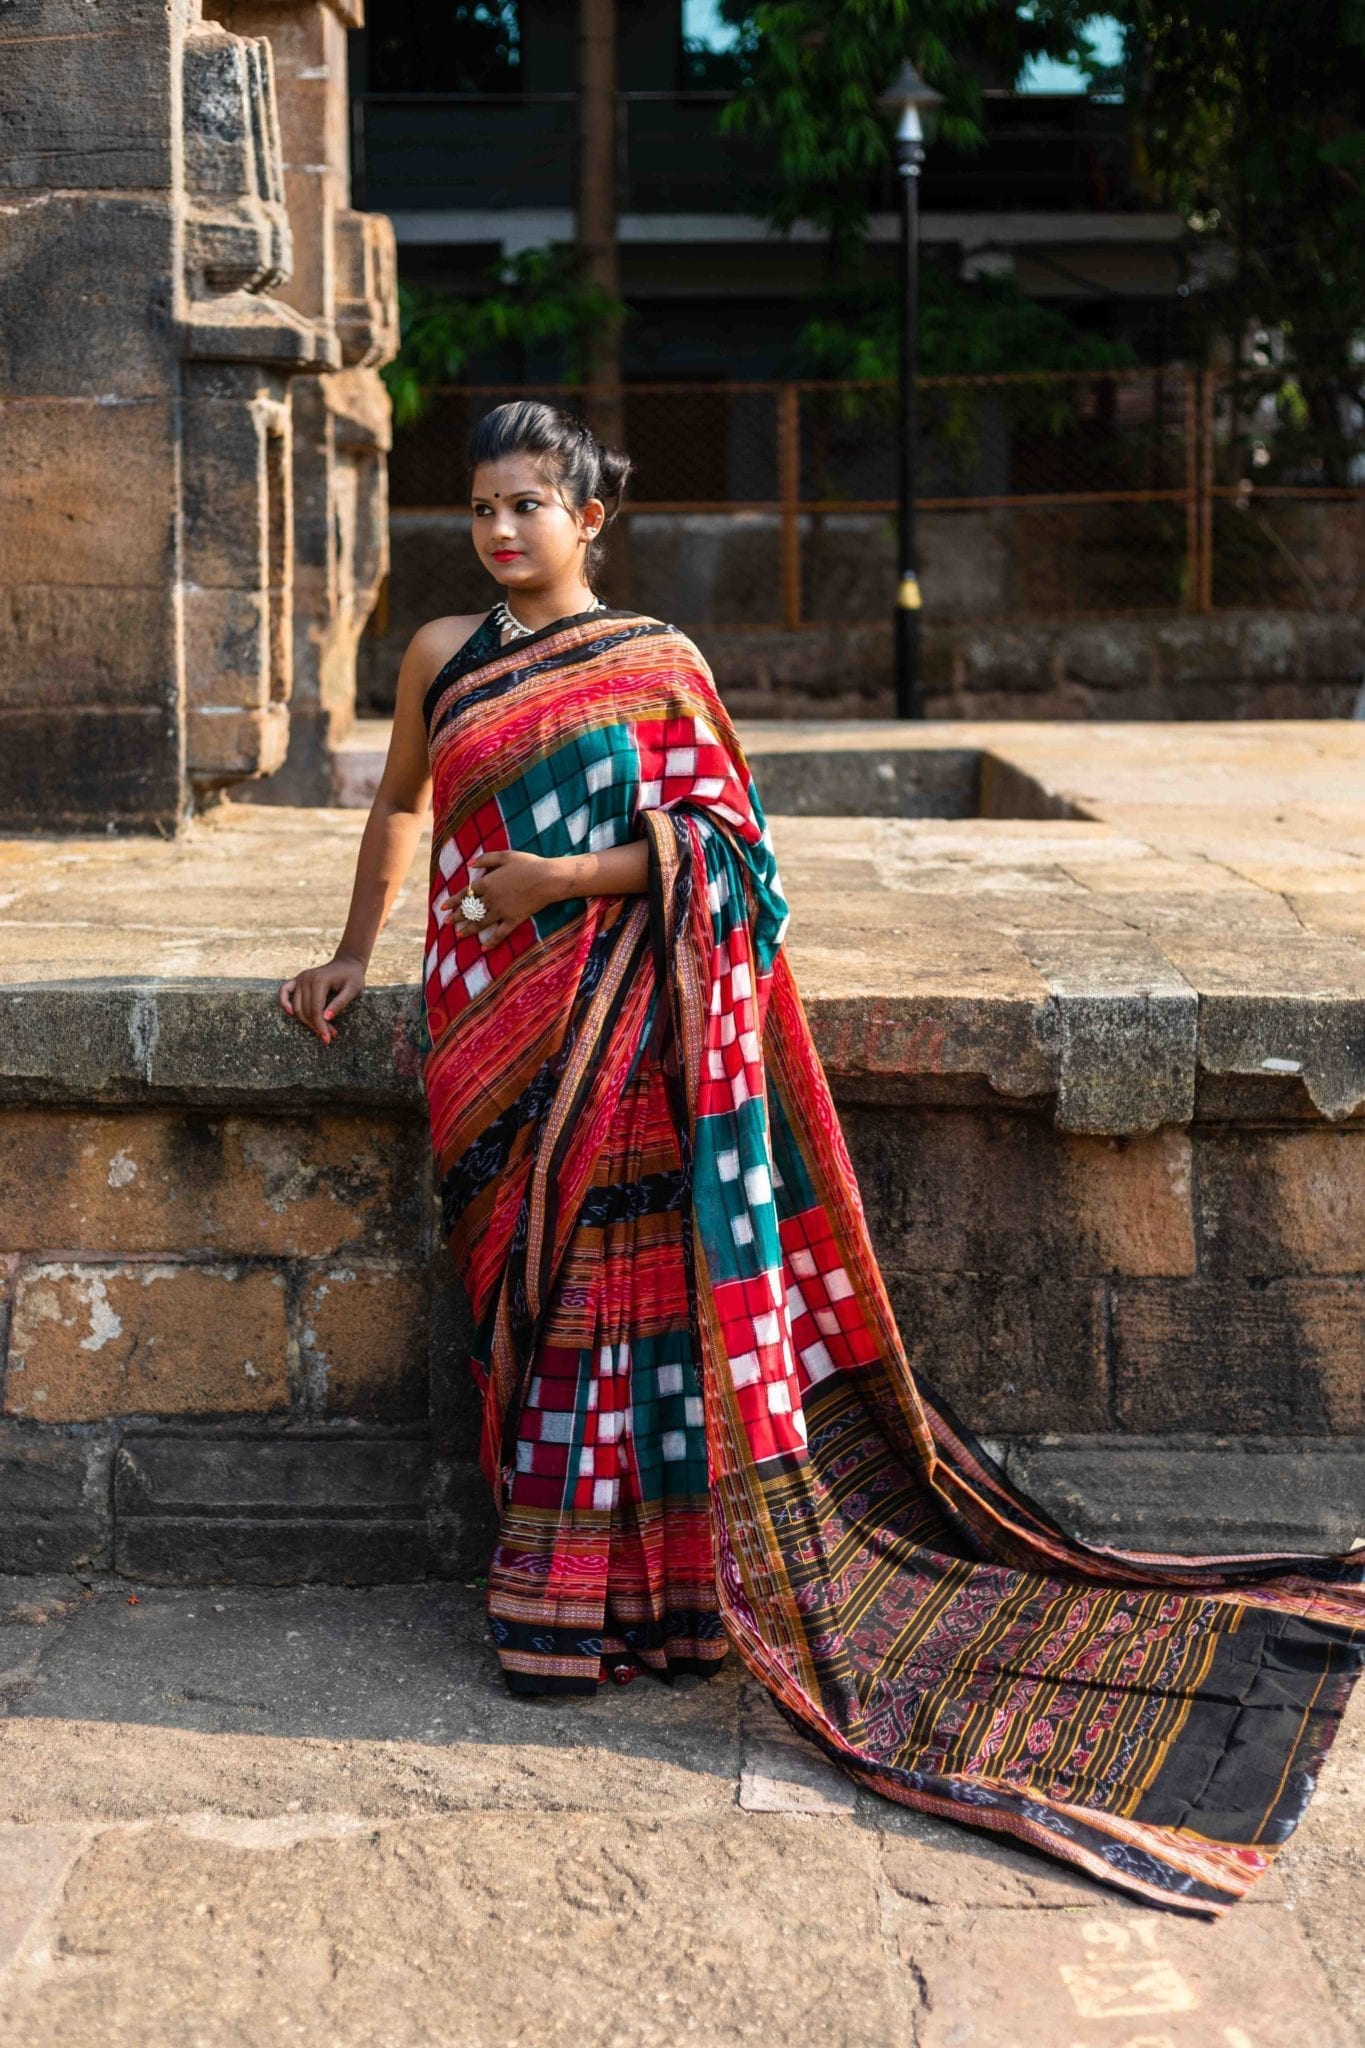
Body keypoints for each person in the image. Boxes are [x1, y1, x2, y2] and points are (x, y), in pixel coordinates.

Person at [280, 398, 1363, 1917]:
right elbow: (397, 808)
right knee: (527, 1323)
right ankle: (573, 1601)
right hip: (484, 1048)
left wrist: (561, 882)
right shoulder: (437, 655)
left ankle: (627, 1616)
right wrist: (345, 956)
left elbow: (733, 857)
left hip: (627, 1031)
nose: (502, 528)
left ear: (594, 517)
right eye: (481, 506)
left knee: (635, 1322)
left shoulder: (658, 665)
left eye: (532, 503)